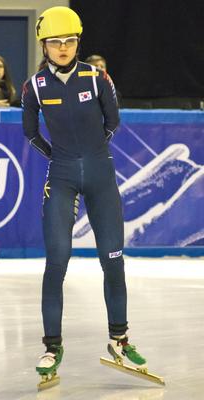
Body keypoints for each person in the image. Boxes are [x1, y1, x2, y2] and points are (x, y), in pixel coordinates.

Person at [22, 6, 146, 387]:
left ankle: (119, 340)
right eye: (56, 42)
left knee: (113, 259)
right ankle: (51, 346)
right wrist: (61, 159)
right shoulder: (35, 87)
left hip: (100, 176)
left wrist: (92, 154)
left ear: (78, 42)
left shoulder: (97, 78)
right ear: (44, 45)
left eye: (70, 41)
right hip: (60, 177)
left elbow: (113, 121)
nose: (63, 48)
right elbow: (31, 133)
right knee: (56, 261)